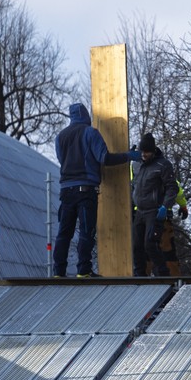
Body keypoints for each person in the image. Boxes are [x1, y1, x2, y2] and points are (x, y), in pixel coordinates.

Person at [53, 102, 142, 277]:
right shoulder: (90, 132)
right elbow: (104, 158)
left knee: (64, 232)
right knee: (87, 231)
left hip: (65, 190)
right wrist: (128, 156)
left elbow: (62, 160)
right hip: (85, 191)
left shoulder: (60, 137)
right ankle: (83, 270)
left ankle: (58, 272)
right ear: (86, 116)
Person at [129, 133, 180, 276]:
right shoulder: (138, 164)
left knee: (150, 243)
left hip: (154, 211)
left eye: (147, 152)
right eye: (142, 151)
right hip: (140, 211)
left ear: (153, 151)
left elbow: (172, 187)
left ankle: (162, 274)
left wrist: (165, 206)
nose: (144, 154)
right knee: (137, 246)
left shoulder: (162, 165)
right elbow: (133, 184)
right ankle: (139, 275)